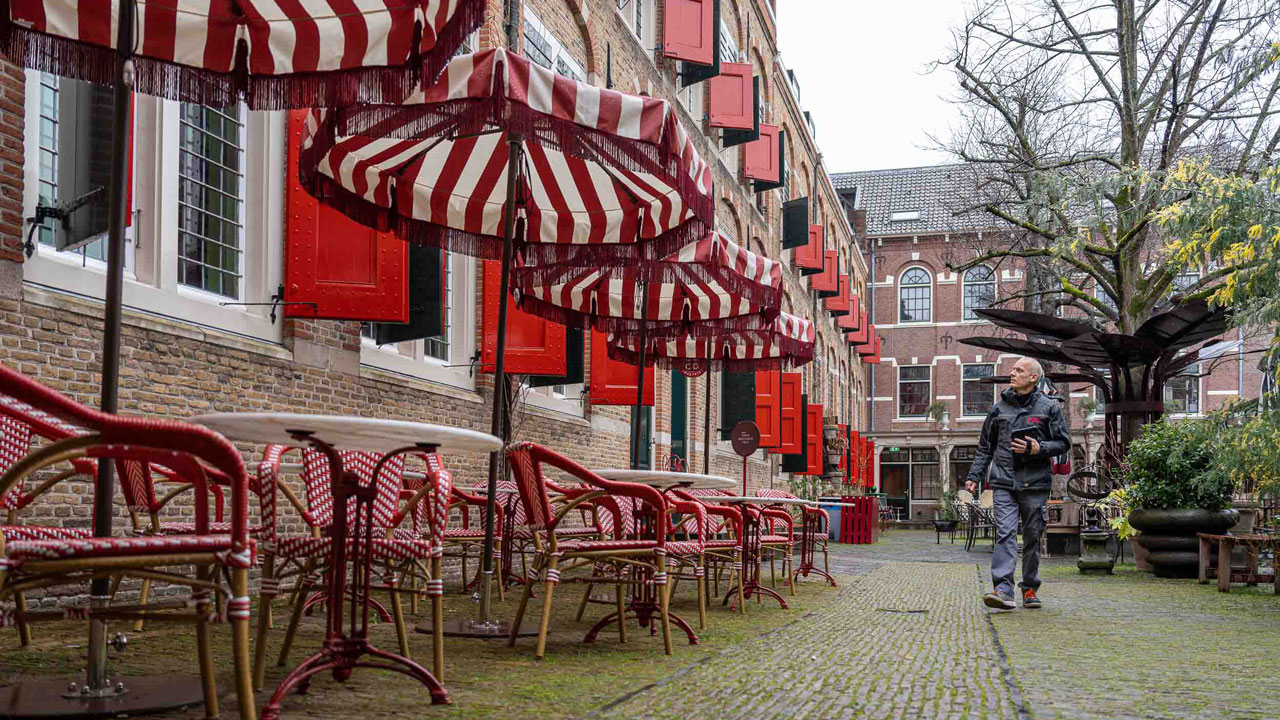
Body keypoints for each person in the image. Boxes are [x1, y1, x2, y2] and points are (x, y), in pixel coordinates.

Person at [964, 357, 1071, 610]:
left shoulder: (1049, 407)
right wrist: (973, 476)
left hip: (1035, 484)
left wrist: (1038, 448)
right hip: (1004, 481)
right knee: (1005, 533)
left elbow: (1064, 443)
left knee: (1033, 537)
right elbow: (985, 447)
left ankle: (1030, 587)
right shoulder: (998, 408)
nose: (1012, 373)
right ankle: (1002, 589)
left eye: (1019, 370)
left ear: (1033, 377)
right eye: (1013, 369)